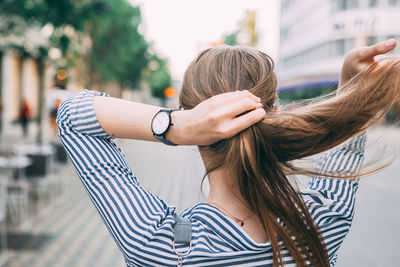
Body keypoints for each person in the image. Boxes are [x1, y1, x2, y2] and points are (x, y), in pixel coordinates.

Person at [57, 39, 400, 266]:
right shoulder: (318, 225)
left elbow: (73, 115)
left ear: (194, 117)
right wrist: (352, 88)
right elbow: (348, 129)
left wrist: (175, 127)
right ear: (273, 111)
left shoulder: (156, 244)